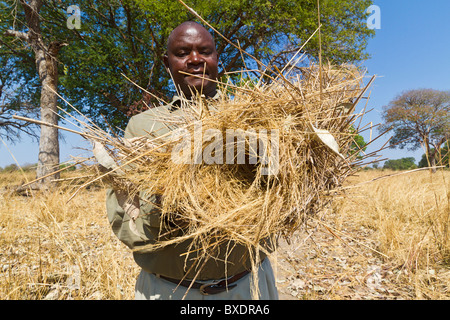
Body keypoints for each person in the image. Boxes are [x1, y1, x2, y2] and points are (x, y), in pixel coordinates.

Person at [105, 21, 278, 300]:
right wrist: (166, 202)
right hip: (169, 290)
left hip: (247, 286)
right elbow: (124, 215)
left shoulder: (254, 120)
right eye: (183, 52)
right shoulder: (143, 127)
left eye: (205, 51)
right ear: (167, 62)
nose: (195, 60)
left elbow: (283, 199)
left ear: (216, 58)